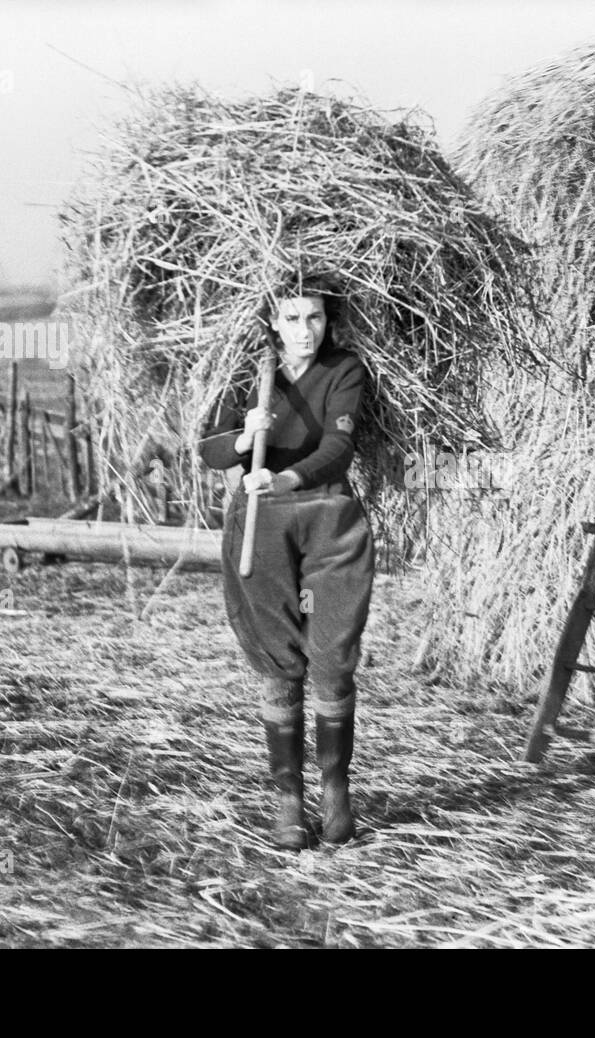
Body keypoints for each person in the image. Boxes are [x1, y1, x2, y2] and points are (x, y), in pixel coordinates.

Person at [199, 271, 374, 850]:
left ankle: (336, 794)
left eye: (316, 318)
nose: (306, 331)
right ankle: (288, 802)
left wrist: (289, 476)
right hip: (260, 524)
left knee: (331, 654)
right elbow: (209, 449)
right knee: (278, 661)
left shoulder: (344, 371)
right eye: (293, 318)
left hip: (327, 518)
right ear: (273, 321)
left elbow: (339, 447)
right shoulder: (246, 372)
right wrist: (246, 441)